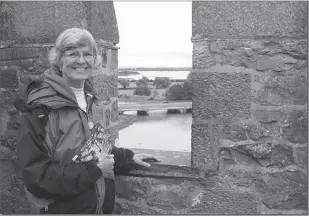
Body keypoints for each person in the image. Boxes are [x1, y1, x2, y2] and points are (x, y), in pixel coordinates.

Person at [14, 28, 159, 214]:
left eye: (87, 54)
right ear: (59, 60)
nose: (81, 61)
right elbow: (37, 177)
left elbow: (95, 147)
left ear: (95, 60)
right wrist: (95, 170)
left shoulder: (90, 100)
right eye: (73, 54)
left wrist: (127, 158)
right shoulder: (40, 110)